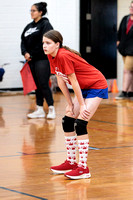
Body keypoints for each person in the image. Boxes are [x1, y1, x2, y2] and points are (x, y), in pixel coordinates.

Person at [43, 30, 108, 179]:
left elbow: (73, 81)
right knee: (67, 121)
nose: (44, 46)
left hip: (96, 85)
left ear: (57, 44)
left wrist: (82, 105)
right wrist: (70, 103)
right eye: (43, 43)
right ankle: (71, 162)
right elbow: (60, 79)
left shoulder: (63, 55)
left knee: (80, 124)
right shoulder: (51, 56)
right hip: (84, 87)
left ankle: (83, 168)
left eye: (48, 43)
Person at [21, 2, 56, 119]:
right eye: (30, 11)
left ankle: (51, 108)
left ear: (40, 12)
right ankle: (39, 109)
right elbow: (23, 41)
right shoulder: (29, 26)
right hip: (31, 60)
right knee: (36, 85)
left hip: (42, 59)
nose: (31, 13)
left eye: (33, 10)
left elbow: (46, 42)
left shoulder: (46, 25)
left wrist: (32, 54)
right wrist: (25, 53)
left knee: (43, 84)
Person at [115, 1, 133, 100]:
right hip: (124, 50)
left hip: (132, 51)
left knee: (127, 71)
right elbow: (119, 32)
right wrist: (118, 42)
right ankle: (130, 91)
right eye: (130, 7)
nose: (131, 8)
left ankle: (124, 92)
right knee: (131, 71)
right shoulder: (125, 18)